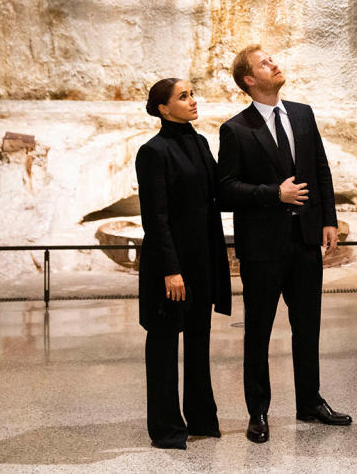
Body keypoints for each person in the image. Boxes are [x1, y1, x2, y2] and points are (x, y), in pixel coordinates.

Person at [218, 46, 351, 444]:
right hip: (261, 247)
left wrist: (328, 218)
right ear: (249, 80)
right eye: (264, 63)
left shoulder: (303, 114)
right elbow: (225, 191)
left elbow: (320, 169)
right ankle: (258, 410)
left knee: (307, 327)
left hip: (305, 240)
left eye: (272, 59)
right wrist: (273, 193)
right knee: (257, 331)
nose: (274, 64)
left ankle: (309, 402)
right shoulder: (236, 129)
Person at [136, 78, 232, 449]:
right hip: (170, 266)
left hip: (201, 262)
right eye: (183, 96)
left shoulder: (199, 142)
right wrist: (170, 270)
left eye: (192, 94)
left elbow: (216, 196)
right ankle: (166, 428)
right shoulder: (153, 152)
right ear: (163, 108)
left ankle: (202, 420)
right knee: (163, 346)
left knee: (198, 342)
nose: (193, 101)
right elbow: (155, 219)